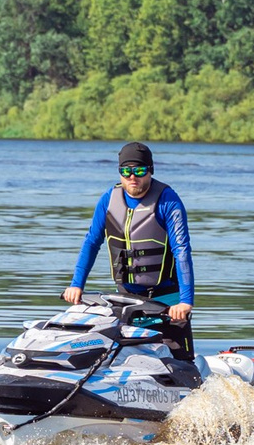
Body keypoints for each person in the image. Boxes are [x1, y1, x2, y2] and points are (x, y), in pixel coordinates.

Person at [63, 141, 196, 359]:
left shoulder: (168, 201)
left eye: (139, 170)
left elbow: (182, 250)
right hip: (126, 300)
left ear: (150, 171)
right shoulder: (108, 199)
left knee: (181, 366)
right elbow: (91, 242)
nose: (132, 176)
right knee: (120, 360)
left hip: (167, 303)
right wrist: (76, 285)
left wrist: (185, 301)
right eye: (126, 171)